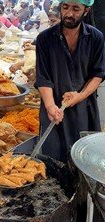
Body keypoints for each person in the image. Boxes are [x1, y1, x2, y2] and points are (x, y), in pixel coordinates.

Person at [34, 0, 105, 162]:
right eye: (65, 7)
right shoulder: (45, 39)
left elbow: (98, 74)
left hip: (84, 105)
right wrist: (51, 106)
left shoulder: (96, 38)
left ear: (86, 11)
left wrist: (80, 95)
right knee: (54, 158)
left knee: (85, 157)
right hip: (54, 105)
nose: (69, 14)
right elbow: (43, 77)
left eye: (76, 9)